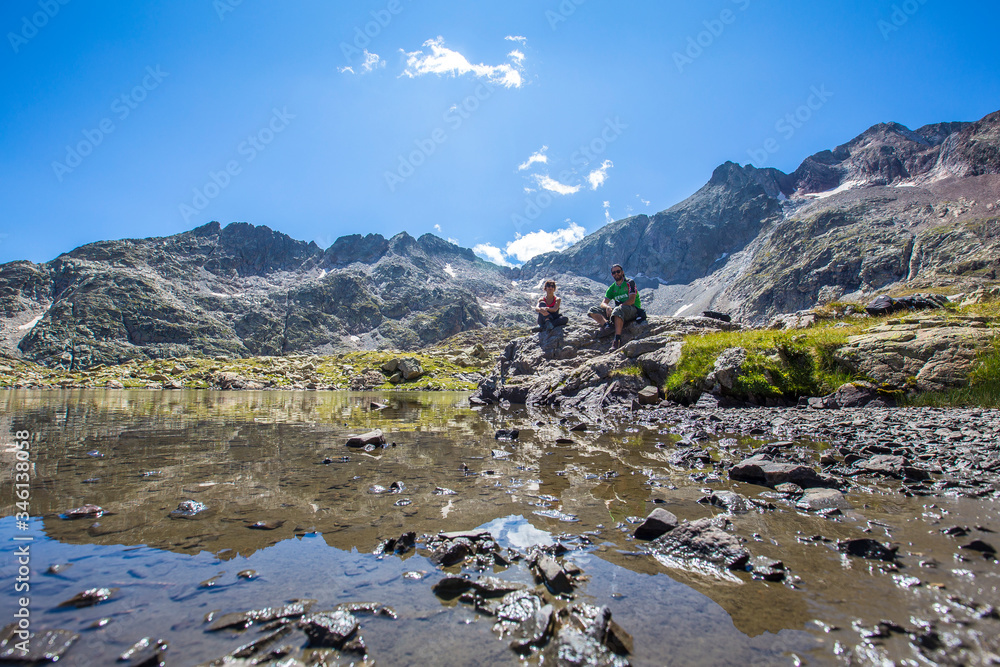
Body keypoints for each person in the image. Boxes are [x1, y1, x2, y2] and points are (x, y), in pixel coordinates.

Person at [588, 264, 644, 349]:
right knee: (592, 310)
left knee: (617, 310)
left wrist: (618, 307)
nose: (616, 274)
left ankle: (617, 340)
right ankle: (608, 326)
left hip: (632, 309)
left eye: (618, 271)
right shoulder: (612, 288)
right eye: (614, 272)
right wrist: (607, 307)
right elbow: (603, 303)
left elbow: (631, 300)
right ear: (612, 275)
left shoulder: (630, 283)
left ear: (622, 272)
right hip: (619, 310)